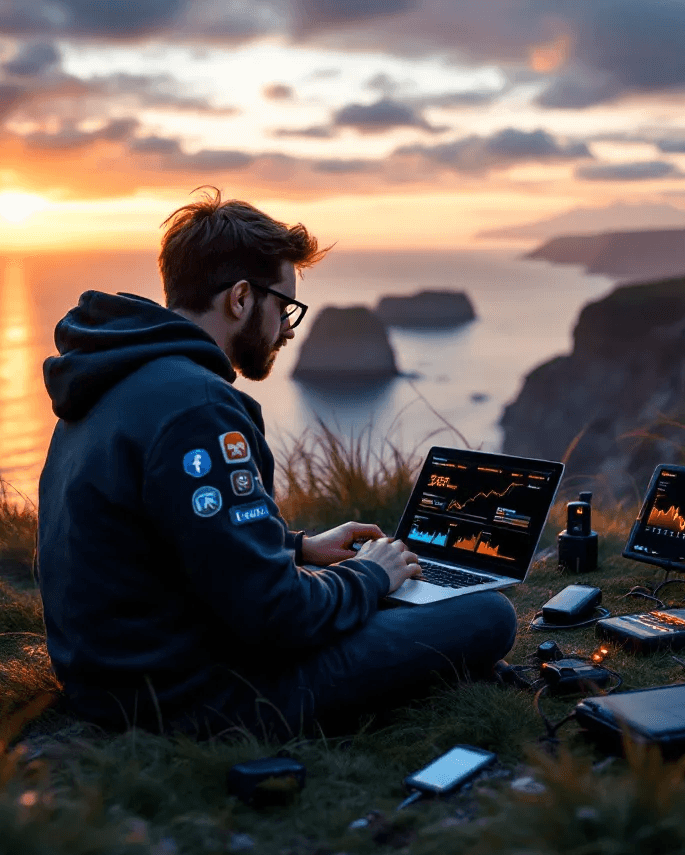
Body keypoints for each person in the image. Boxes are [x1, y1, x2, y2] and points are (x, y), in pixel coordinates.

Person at [37, 187, 518, 738]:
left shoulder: (113, 377)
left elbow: (166, 534)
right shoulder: (200, 408)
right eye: (284, 307)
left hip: (107, 680)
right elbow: (275, 618)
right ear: (240, 299)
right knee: (489, 616)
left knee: (381, 597)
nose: (289, 329)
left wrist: (299, 549)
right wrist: (368, 576)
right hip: (192, 698)